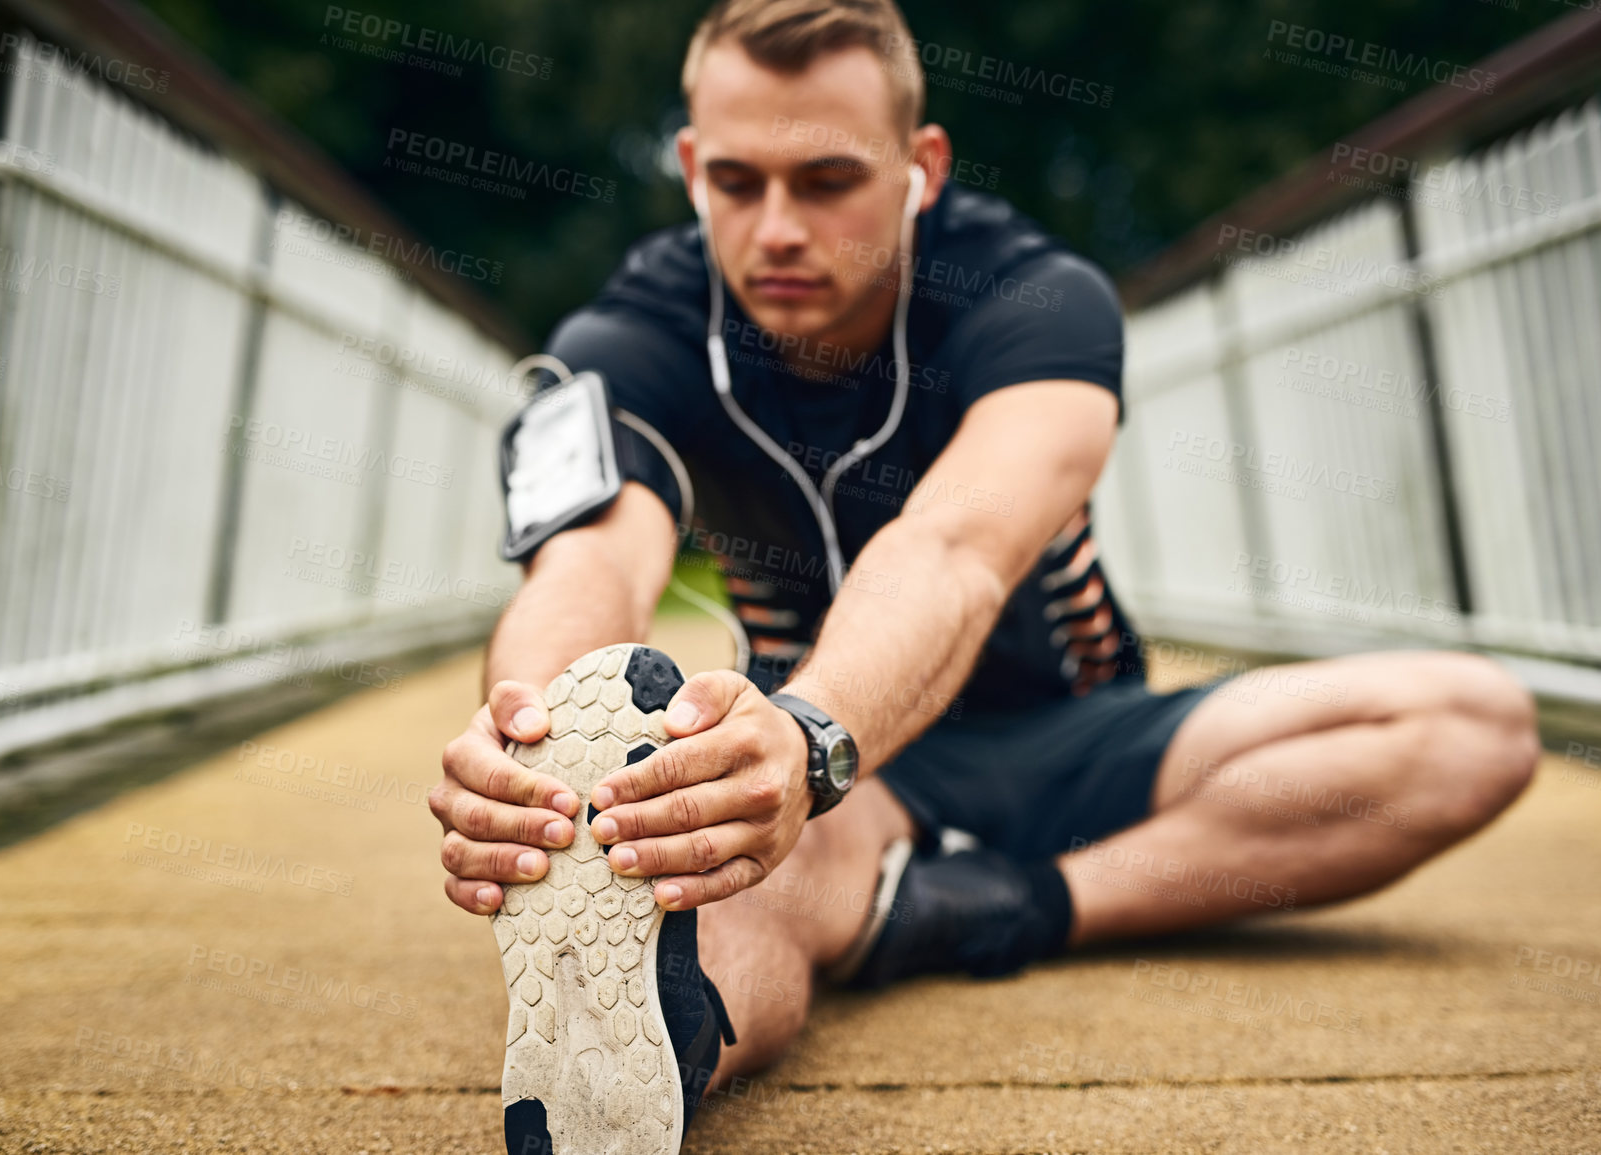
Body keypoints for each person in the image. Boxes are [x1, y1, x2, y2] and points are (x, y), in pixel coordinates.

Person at [430, 1, 1542, 1150]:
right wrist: (541, 745)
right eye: (737, 181)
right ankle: (651, 1073)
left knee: (1476, 725)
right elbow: (591, 561)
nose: (776, 230)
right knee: (708, 883)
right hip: (834, 776)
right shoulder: (630, 336)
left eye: (827, 181)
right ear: (689, 167)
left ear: (921, 168)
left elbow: (953, 551)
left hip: (1074, 741)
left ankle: (999, 909)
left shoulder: (1039, 299)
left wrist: (813, 737)